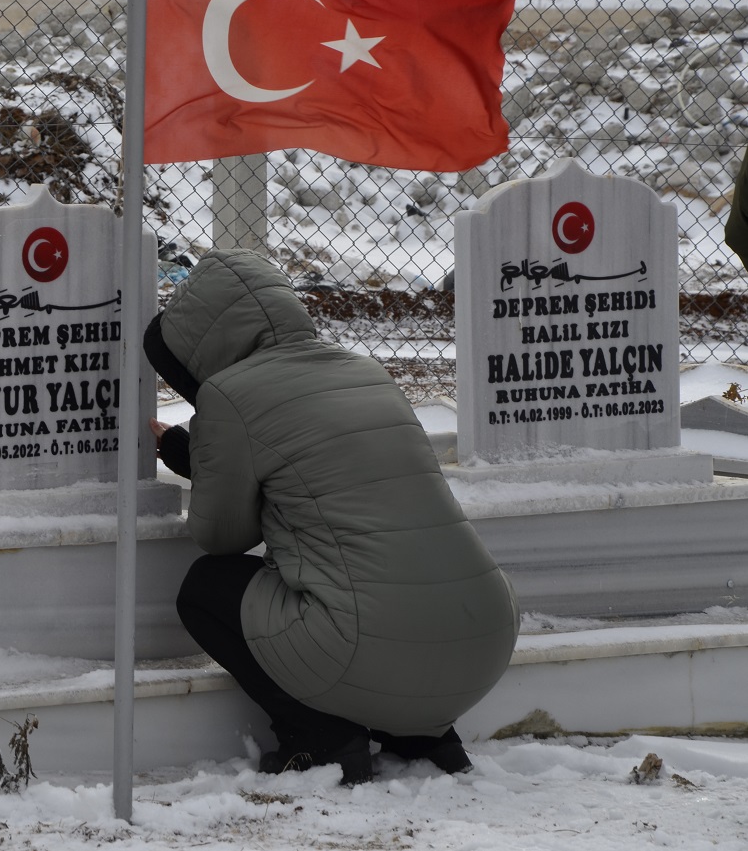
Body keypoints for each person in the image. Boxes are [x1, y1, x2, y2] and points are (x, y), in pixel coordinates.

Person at [145, 249, 518, 785]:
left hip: (368, 645)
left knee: (205, 588)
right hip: (484, 637)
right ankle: (425, 737)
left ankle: (316, 739)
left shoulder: (230, 394)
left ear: (195, 348)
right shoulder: (365, 370)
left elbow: (221, 535)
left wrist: (196, 455)